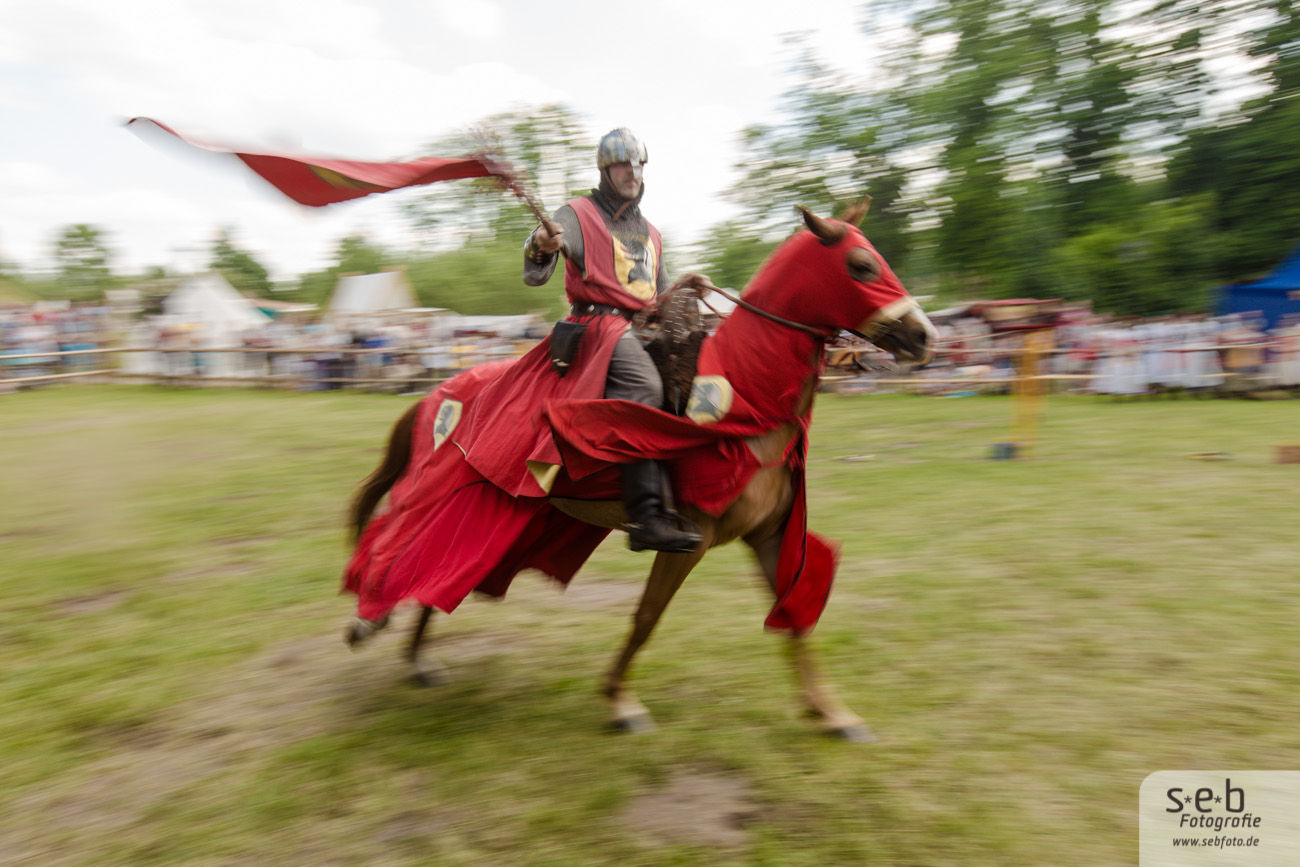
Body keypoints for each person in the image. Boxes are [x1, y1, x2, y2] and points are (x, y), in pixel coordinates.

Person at [521, 128, 702, 553]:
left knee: (690, 375)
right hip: (596, 330)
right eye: (623, 164)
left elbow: (656, 297)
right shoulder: (577, 215)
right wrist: (541, 244)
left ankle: (688, 493)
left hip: (638, 329)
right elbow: (535, 267)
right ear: (605, 169)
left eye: (638, 165)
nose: (632, 172)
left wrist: (686, 287)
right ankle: (646, 517)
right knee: (646, 387)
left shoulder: (652, 234)